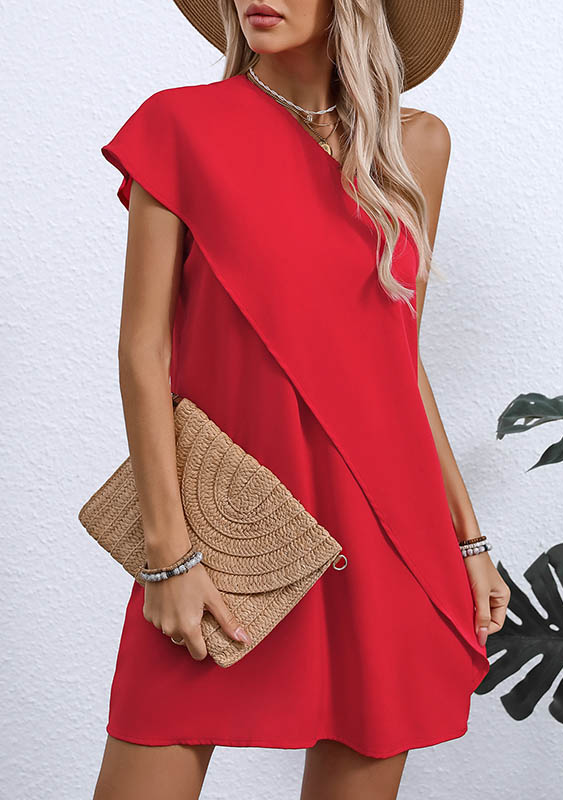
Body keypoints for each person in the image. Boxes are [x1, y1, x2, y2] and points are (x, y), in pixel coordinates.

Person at [92, 1, 510, 797]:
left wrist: (468, 538)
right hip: (224, 536)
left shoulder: (416, 147)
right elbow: (142, 353)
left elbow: (398, 361)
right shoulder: (180, 126)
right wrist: (167, 556)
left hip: (386, 534)